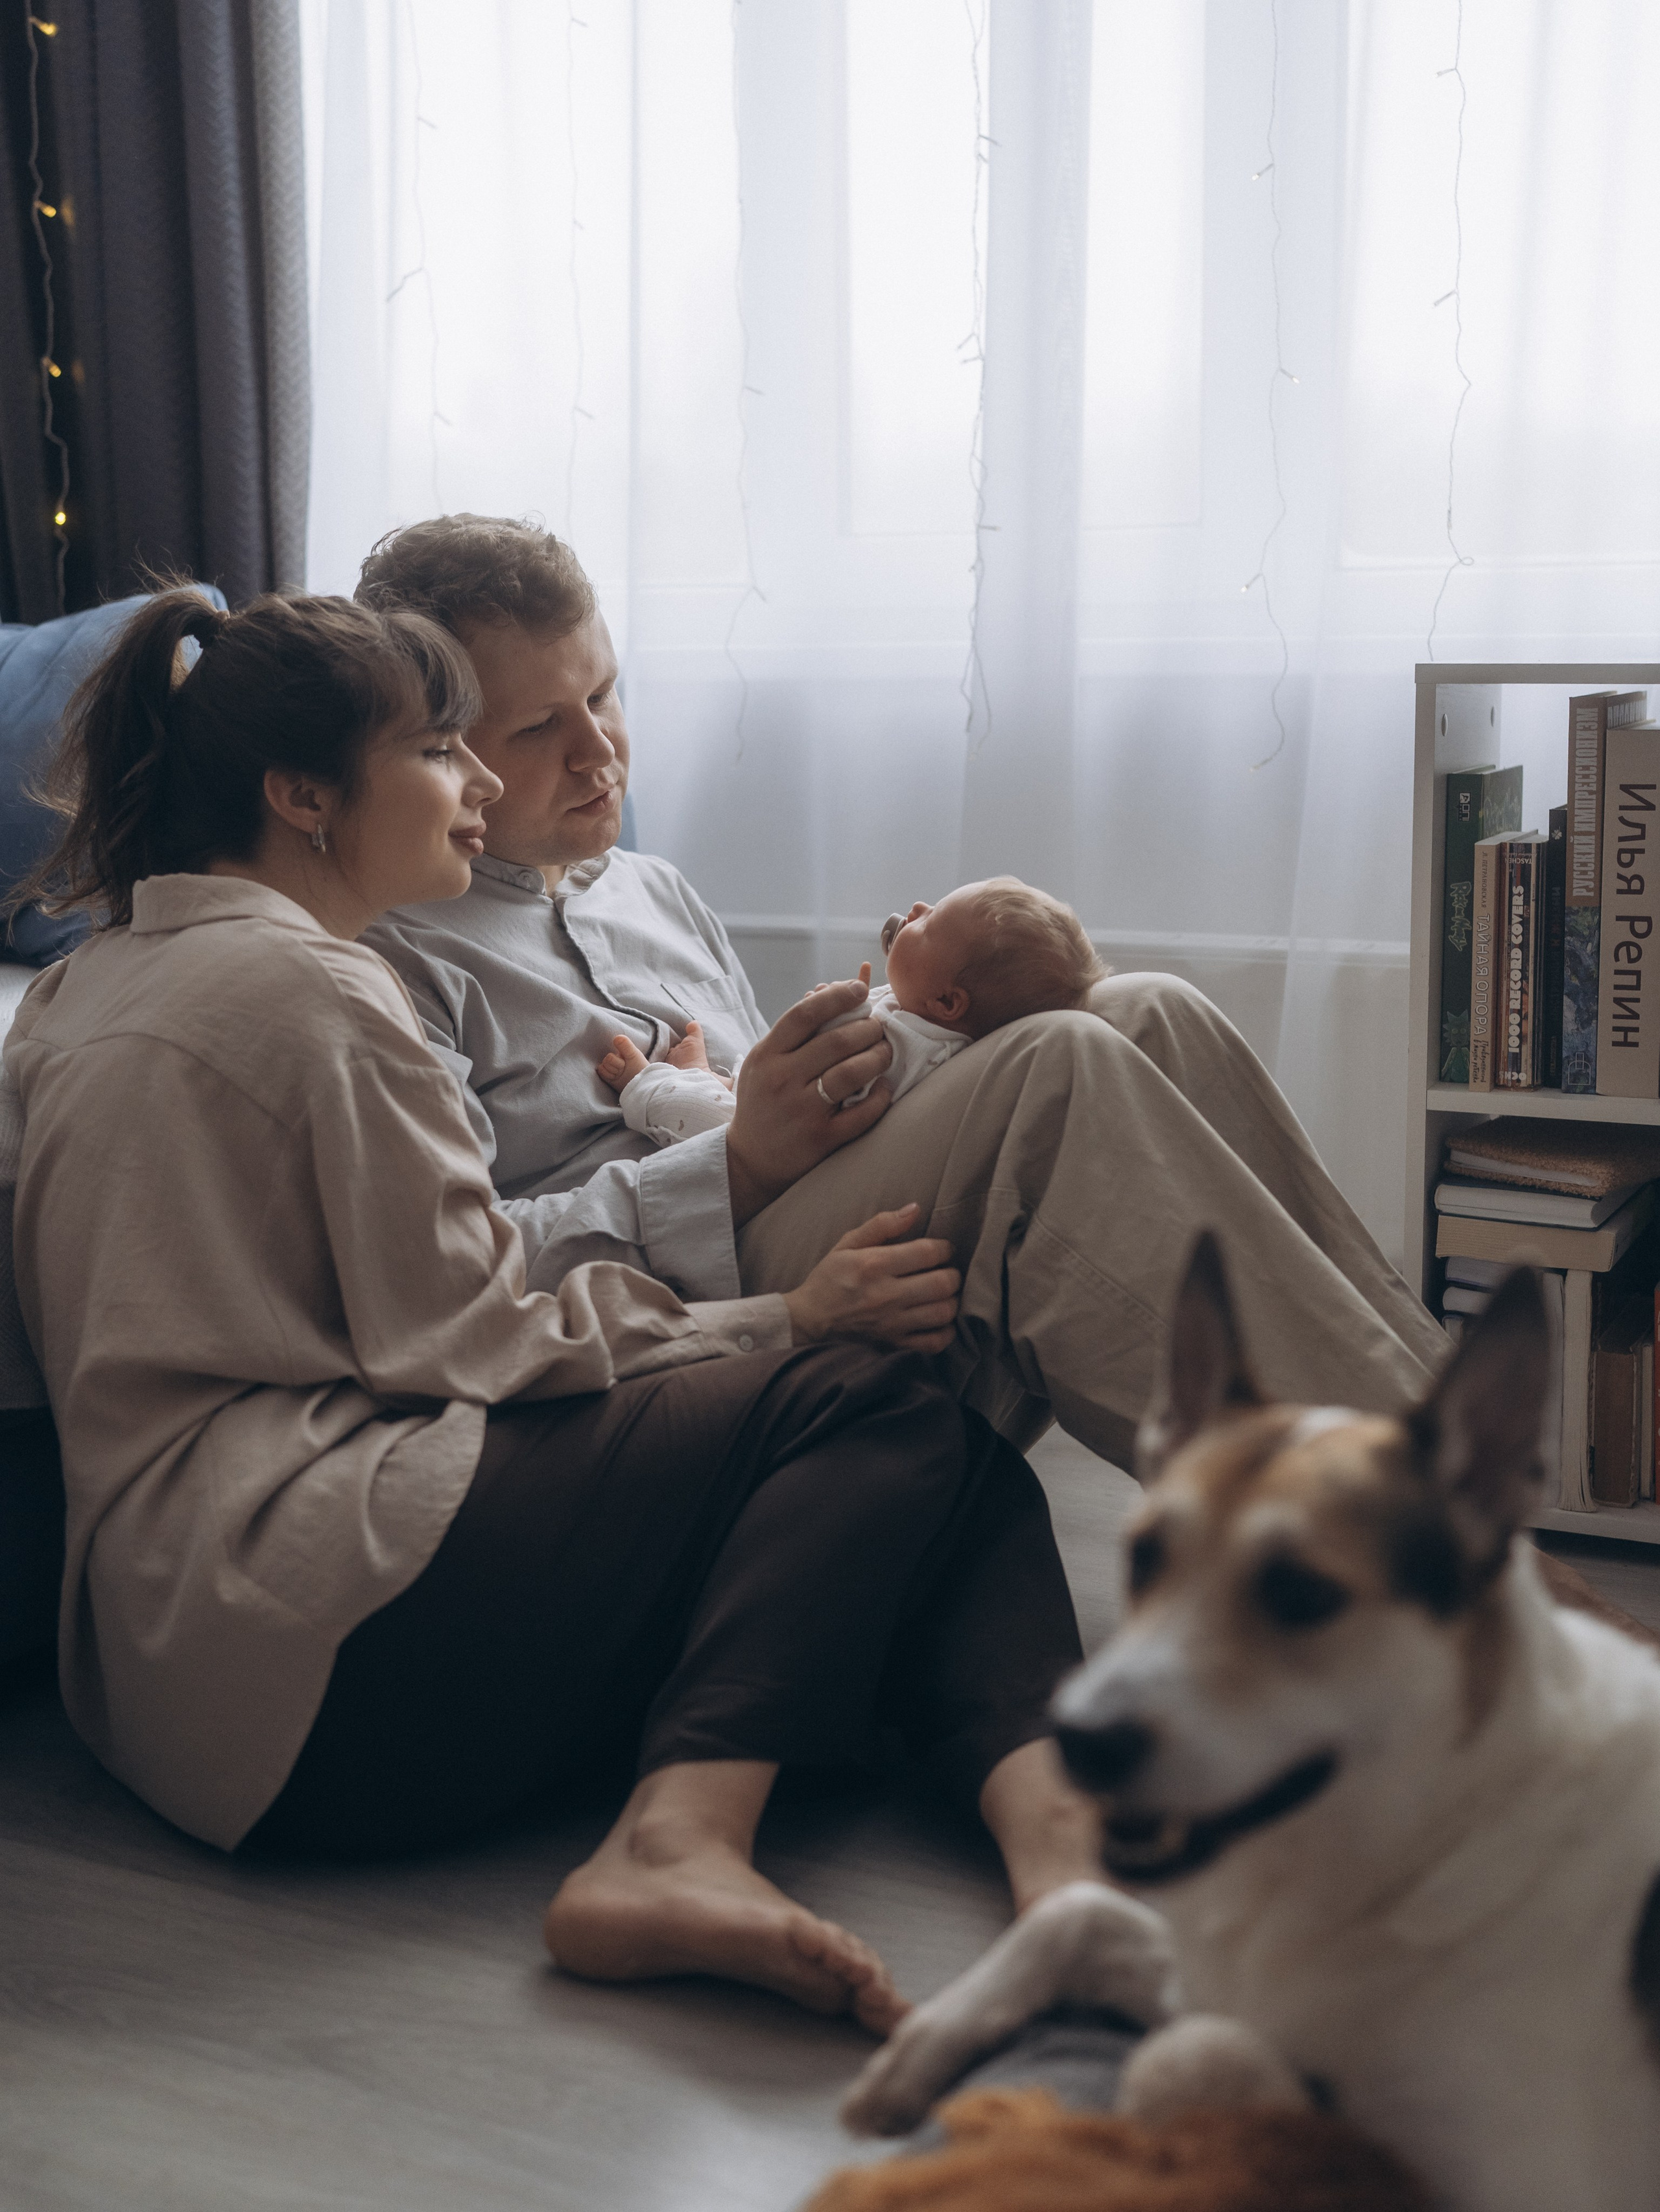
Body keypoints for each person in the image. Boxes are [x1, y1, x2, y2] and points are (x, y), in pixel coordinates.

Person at [5, 585, 1109, 2032]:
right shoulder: (324, 997)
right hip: (319, 1633)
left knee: (938, 1474)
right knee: (871, 1400)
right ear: (302, 796)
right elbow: (470, 1338)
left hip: (174, 1690)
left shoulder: (84, 986)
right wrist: (785, 1321)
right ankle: (677, 1845)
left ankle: (1066, 1860)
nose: (478, 784)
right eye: (440, 750)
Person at [357, 516, 1452, 1469]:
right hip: (683, 1300)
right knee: (1054, 1069)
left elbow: (756, 1103)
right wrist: (738, 1160)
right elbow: (470, 1270)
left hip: (800, 1201)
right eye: (541, 727)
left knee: (1149, 1009)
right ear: (440, 744)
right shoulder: (393, 959)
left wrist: (811, 1088)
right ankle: (1412, 1547)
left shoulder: (656, 892)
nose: (601, 750)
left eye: (605, 694)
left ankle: (1453, 1453)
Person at [594, 877, 1107, 1143]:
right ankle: (711, 1079)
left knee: (703, 1120)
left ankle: (652, 1086)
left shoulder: (907, 1048)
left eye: (929, 925)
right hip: (777, 1118)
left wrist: (829, 1022)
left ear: (948, 1003)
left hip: (781, 1156)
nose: (917, 911)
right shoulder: (932, 1020)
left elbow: (821, 1101)